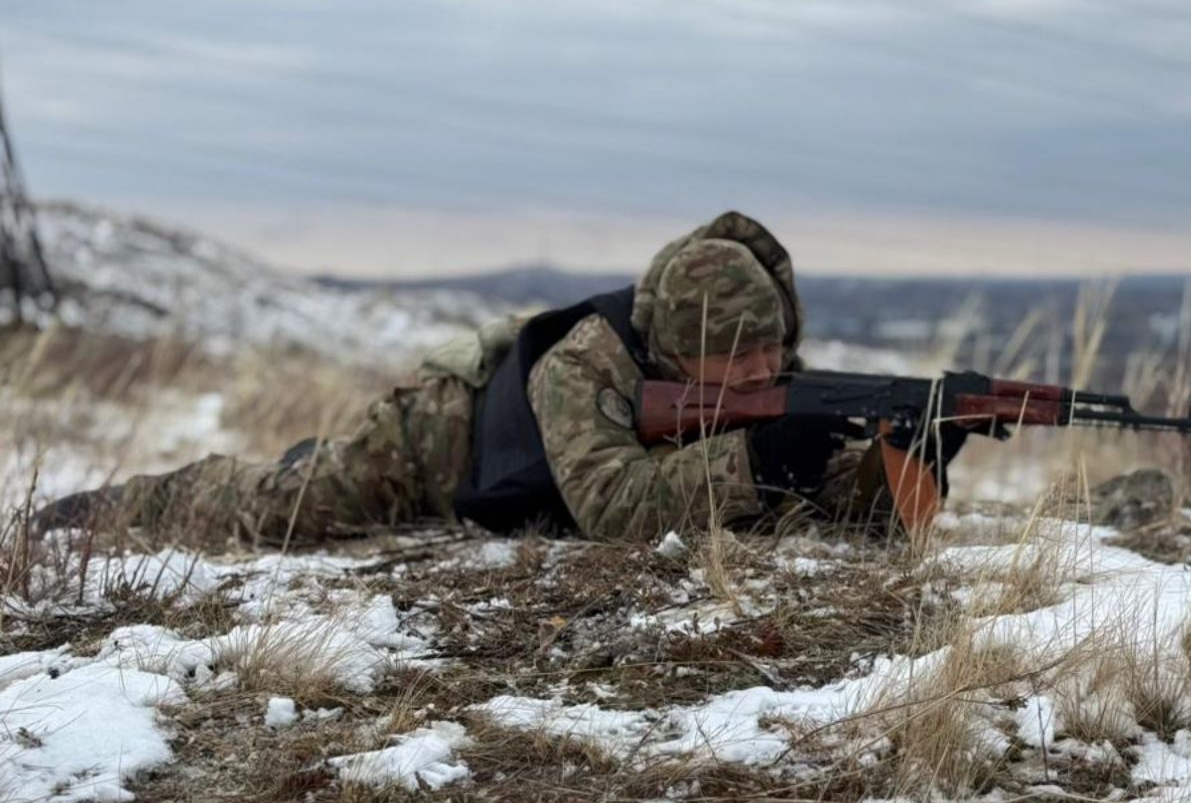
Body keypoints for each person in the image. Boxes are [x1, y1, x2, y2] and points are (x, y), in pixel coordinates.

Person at [33, 212, 963, 546]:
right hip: (435, 445)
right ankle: (117, 507)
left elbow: (804, 489)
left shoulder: (752, 375)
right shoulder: (587, 361)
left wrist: (899, 468)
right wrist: (759, 462)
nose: (767, 372)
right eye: (743, 360)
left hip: (526, 468)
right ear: (681, 350)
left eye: (773, 354)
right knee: (285, 509)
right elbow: (611, 504)